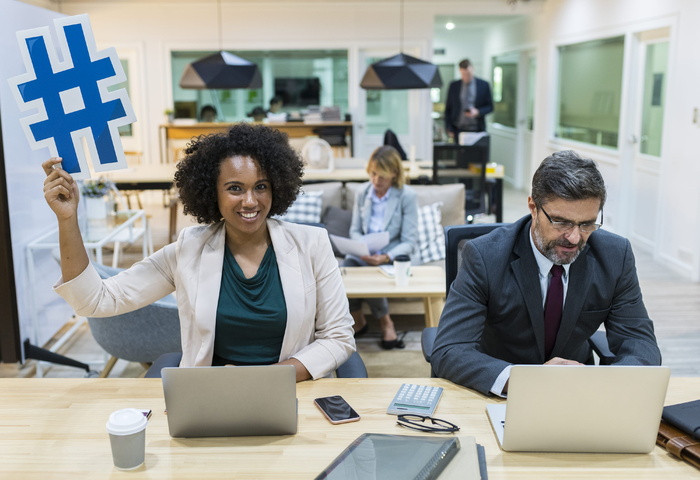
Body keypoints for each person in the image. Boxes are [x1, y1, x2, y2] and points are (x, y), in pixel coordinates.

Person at [43, 123, 355, 382]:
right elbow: (95, 300)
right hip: (211, 396)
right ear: (211, 193)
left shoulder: (311, 244)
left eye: (261, 186)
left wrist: (268, 379)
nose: (250, 201)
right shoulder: (189, 249)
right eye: (235, 188)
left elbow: (339, 338)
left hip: (292, 390)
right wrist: (67, 219)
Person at [431, 150, 661, 396]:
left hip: (576, 391)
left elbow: (640, 343)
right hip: (502, 392)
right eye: (561, 222)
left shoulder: (615, 255)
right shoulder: (485, 256)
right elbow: (450, 350)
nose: (574, 238)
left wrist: (604, 384)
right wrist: (527, 381)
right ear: (533, 207)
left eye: (586, 224)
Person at [343, 145, 418, 350]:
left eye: (382, 176)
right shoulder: (362, 192)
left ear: (394, 174)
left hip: (393, 255)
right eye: (373, 174)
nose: (376, 181)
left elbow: (409, 242)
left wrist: (384, 256)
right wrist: (362, 247)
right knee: (345, 268)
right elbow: (355, 230)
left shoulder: (406, 196)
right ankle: (358, 318)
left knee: (368, 269)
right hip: (366, 253)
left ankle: (386, 322)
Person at [444, 59, 493, 138]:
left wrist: (478, 111)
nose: (466, 77)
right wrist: (448, 128)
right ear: (460, 71)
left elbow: (490, 107)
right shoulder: (454, 86)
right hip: (457, 129)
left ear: (473, 69)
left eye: (468, 74)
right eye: (463, 74)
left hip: (477, 130)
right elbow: (448, 109)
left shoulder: (484, 85)